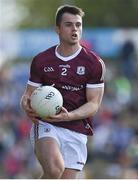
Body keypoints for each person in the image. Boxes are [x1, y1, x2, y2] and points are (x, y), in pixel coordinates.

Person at [20, 4, 105, 179]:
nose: (75, 29)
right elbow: (28, 95)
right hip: (46, 123)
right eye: (69, 24)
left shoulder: (94, 63)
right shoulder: (41, 60)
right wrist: (25, 105)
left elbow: (94, 104)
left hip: (76, 129)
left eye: (78, 24)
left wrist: (69, 116)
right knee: (54, 169)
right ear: (57, 29)